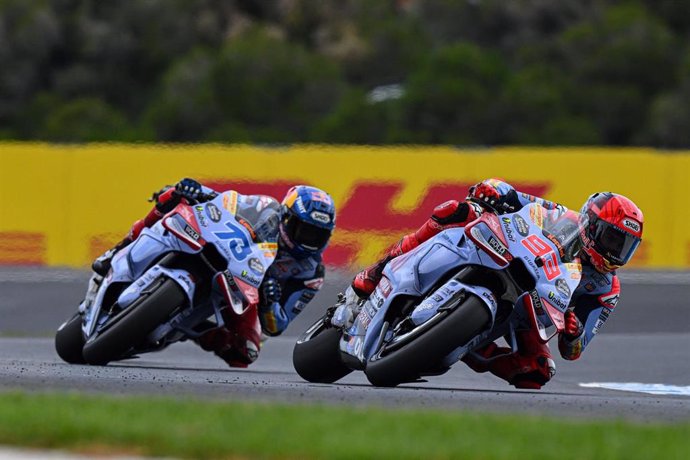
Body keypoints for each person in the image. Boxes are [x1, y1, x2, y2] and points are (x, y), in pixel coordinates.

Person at [335, 178, 643, 389]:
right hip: (504, 254)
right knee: (457, 211)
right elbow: (515, 197)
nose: (615, 250)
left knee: (537, 372)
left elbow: (574, 350)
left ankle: (460, 345)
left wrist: (573, 331)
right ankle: (377, 272)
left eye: (625, 245)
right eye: (613, 238)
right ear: (592, 224)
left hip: (532, 309)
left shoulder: (606, 288)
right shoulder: (561, 216)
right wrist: (492, 191)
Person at [92, 178, 336, 368]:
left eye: (317, 234)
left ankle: (196, 331)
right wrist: (198, 191)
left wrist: (269, 302)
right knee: (173, 196)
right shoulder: (266, 209)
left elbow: (276, 326)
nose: (309, 240)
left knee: (246, 352)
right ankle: (116, 251)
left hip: (248, 297)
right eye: (303, 229)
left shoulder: (311, 273)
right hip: (223, 253)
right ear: (286, 218)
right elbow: (228, 203)